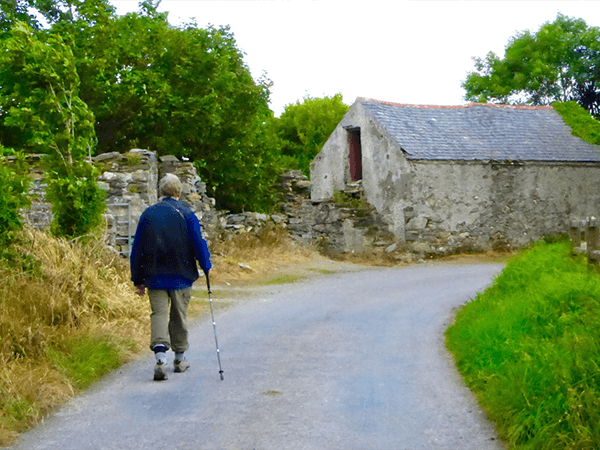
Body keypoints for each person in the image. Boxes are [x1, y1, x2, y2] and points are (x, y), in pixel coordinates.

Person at [130, 173, 212, 381]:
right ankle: (180, 358)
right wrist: (207, 266)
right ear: (179, 191)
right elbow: (198, 243)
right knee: (179, 315)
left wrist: (137, 279)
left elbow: (137, 249)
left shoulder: (148, 214)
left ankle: (160, 360)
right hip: (181, 274)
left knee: (158, 314)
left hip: (154, 275)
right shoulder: (186, 214)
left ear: (160, 191)